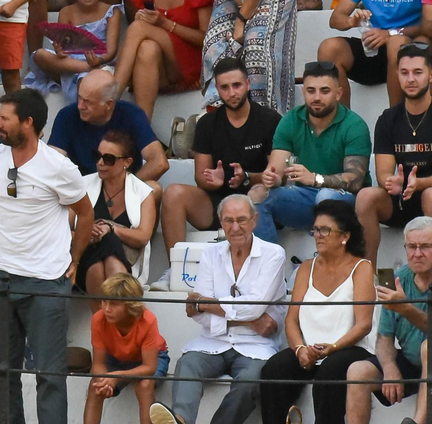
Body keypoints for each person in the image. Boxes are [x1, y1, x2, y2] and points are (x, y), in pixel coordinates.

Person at [0, 88, 94, 424]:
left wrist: (75, 260)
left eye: (5, 119)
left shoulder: (59, 167)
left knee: (50, 376)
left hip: (47, 282)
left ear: (28, 122)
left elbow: (86, 213)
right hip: (0, 278)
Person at [166, 192, 288, 424]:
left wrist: (207, 303)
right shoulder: (210, 253)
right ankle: (180, 420)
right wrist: (250, 319)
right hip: (214, 341)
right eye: (228, 221)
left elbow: (250, 306)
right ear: (221, 223)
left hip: (256, 346)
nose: (235, 227)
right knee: (187, 364)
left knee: (250, 382)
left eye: (241, 220)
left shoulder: (273, 254)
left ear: (254, 220)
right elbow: (198, 314)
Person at [259, 199, 375, 424]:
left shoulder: (362, 267)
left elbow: (364, 324)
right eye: (316, 230)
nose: (318, 235)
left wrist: (333, 348)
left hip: (349, 348)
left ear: (345, 236)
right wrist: (300, 350)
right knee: (273, 370)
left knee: (329, 373)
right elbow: (291, 320)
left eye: (325, 230)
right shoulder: (306, 267)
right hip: (310, 347)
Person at [159, 59, 281, 257]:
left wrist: (248, 177)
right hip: (218, 203)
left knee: (258, 193)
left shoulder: (270, 120)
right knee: (173, 193)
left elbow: (276, 175)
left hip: (257, 200)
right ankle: (176, 267)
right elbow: (201, 177)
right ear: (217, 89)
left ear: (248, 84)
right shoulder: (207, 124)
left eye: (237, 85)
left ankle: (263, 265)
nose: (232, 93)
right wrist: (212, 181)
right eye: (225, 87)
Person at [254, 61, 371, 242]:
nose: (317, 97)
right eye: (311, 91)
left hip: (347, 202)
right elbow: (276, 169)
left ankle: (330, 254)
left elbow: (355, 181)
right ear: (303, 92)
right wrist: (273, 178)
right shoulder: (291, 120)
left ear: (338, 93)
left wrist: (315, 179)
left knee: (326, 196)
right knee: (258, 194)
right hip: (305, 199)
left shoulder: (354, 125)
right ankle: (270, 258)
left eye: (325, 91)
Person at [345, 214, 432, 424]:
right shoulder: (396, 279)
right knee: (357, 371)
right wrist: (390, 367)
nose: (417, 254)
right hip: (411, 362)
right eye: (411, 247)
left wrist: (406, 308)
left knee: (427, 348)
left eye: (425, 247)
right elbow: (384, 338)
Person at [357, 46, 432, 263]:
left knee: (430, 195)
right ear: (397, 75)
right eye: (404, 72)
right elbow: (383, 173)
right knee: (366, 197)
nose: (411, 79)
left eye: (417, 72)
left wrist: (420, 183)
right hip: (400, 200)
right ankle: (366, 273)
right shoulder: (388, 119)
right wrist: (391, 183)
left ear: (430, 75)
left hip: (429, 196)